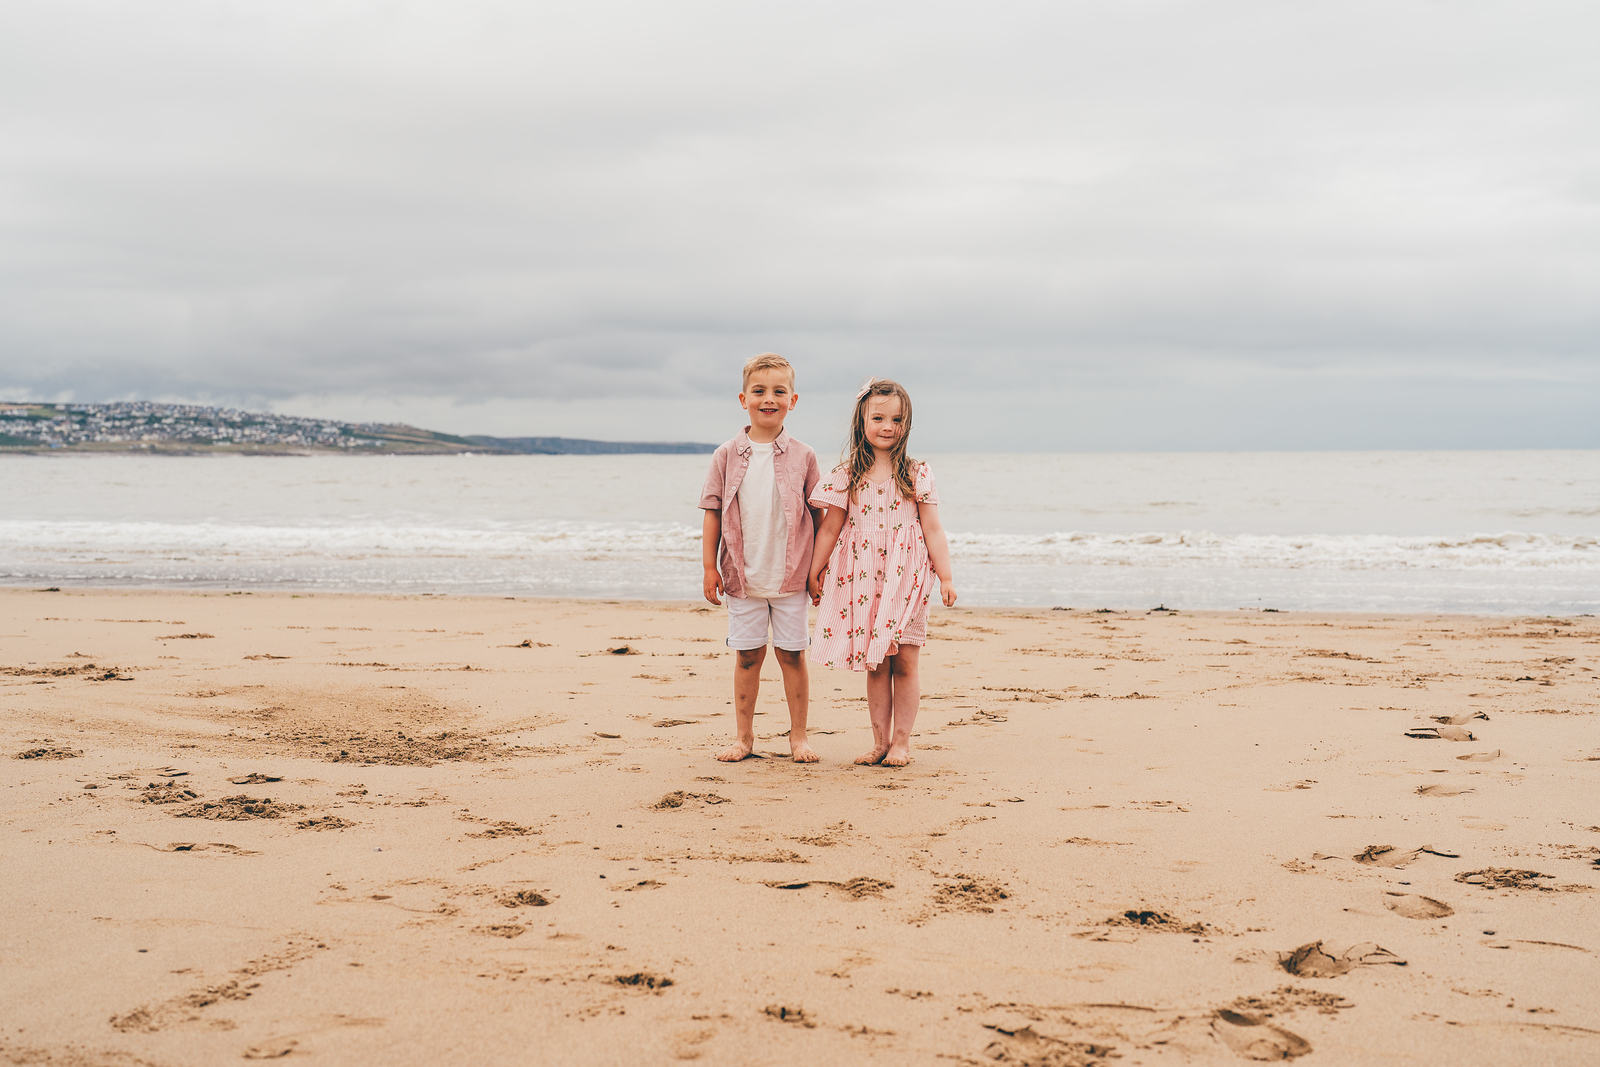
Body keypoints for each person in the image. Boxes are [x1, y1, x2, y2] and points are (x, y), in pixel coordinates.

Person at [807, 378, 956, 767]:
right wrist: (815, 568)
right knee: (876, 661)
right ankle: (879, 742)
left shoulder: (916, 473)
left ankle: (902, 743)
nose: (888, 426)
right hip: (862, 575)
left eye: (897, 419)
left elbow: (933, 529)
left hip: (907, 575)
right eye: (879, 418)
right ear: (862, 421)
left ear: (907, 424)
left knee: (905, 660)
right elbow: (830, 527)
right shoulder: (847, 474)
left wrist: (946, 576)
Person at [699, 353, 824, 762]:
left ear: (793, 399)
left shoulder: (804, 456)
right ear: (743, 398)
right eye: (759, 391)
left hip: (791, 576)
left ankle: (798, 738)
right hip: (742, 576)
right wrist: (709, 568)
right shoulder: (725, 455)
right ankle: (744, 738)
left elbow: (819, 515)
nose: (768, 399)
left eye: (778, 391)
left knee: (792, 656)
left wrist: (819, 570)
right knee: (748, 656)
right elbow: (713, 512)